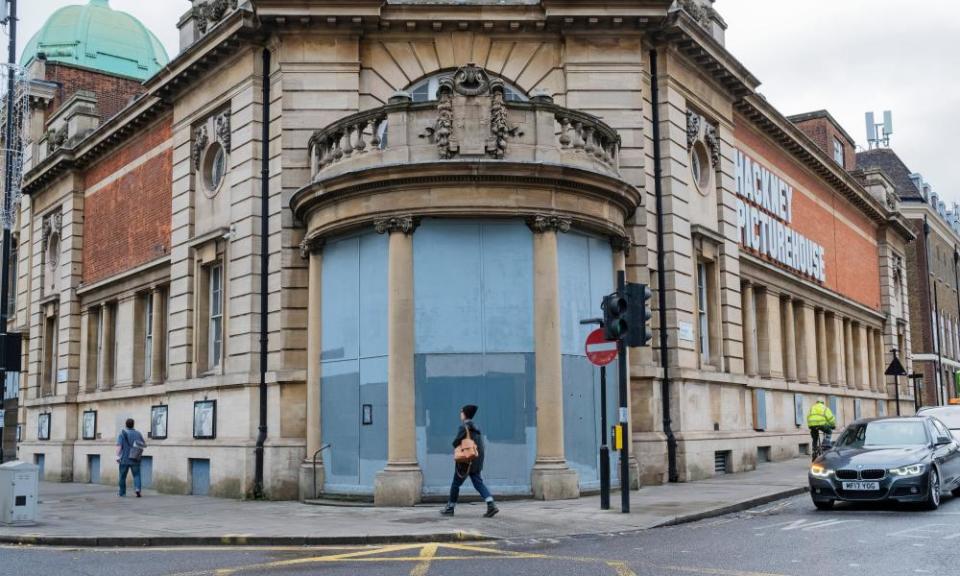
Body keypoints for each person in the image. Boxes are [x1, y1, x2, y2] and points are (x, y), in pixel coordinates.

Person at [440, 405, 499, 518]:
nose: (460, 413)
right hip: (476, 459)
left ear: (465, 413)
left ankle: (450, 508)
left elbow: (456, 442)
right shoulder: (476, 427)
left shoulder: (464, 427)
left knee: (456, 484)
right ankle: (491, 504)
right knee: (478, 483)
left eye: (461, 412)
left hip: (465, 461)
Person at [116, 418, 147, 497]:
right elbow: (143, 444)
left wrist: (117, 456)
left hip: (124, 459)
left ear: (126, 424)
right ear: (133, 424)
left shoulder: (122, 434)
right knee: (137, 475)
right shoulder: (138, 433)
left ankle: (122, 493)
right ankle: (137, 489)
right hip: (135, 457)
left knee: (122, 476)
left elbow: (119, 446)